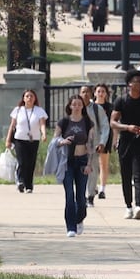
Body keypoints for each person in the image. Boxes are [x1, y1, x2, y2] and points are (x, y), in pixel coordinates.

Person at [110, 69, 140, 220]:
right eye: (137, 81)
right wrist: (127, 127)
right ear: (129, 84)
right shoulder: (121, 101)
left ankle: (138, 206)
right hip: (125, 142)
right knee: (126, 175)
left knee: (139, 175)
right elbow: (113, 122)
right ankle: (128, 206)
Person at [53, 95, 95, 237]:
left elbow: (90, 144)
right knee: (69, 195)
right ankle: (70, 227)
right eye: (74, 104)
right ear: (70, 106)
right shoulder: (63, 122)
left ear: (82, 106)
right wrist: (63, 141)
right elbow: (55, 140)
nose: (77, 106)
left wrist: (89, 164)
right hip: (67, 162)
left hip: (82, 161)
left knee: (81, 198)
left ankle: (79, 219)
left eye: (79, 104)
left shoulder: (88, 122)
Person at [4, 89, 48, 193]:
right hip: (19, 139)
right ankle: (20, 181)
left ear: (35, 98)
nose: (29, 98)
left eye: (31, 96)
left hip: (33, 139)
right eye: (27, 96)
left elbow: (42, 124)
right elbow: (12, 125)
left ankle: (29, 185)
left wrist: (44, 134)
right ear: (23, 98)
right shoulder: (18, 110)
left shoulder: (39, 110)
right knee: (22, 161)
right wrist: (8, 139)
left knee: (31, 162)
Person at [79, 85, 110, 206]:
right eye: (83, 92)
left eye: (87, 92)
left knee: (92, 170)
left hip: (93, 145)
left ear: (92, 94)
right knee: (79, 170)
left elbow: (105, 126)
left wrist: (102, 142)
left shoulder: (97, 109)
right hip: (78, 146)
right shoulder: (76, 107)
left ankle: (90, 195)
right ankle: (81, 194)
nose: (85, 94)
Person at [93, 83, 114, 199]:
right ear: (95, 93)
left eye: (103, 91)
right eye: (99, 91)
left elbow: (113, 124)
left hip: (105, 137)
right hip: (92, 137)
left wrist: (115, 139)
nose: (101, 94)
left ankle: (102, 188)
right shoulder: (90, 106)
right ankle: (93, 185)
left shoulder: (110, 107)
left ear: (106, 94)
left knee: (103, 163)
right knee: (91, 162)